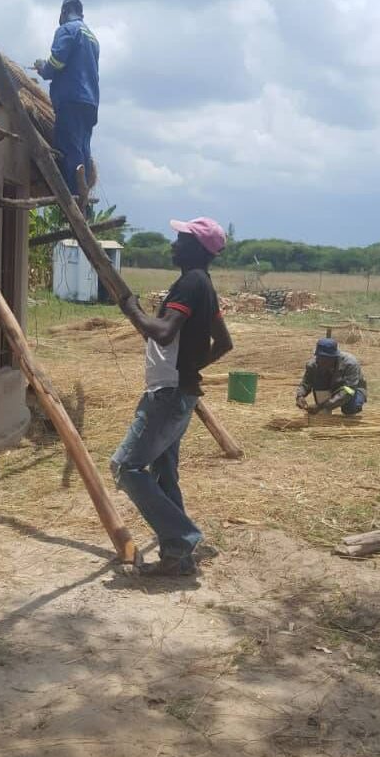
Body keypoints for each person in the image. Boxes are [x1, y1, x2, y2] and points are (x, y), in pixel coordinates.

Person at [111, 218, 233, 578]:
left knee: (126, 467)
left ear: (197, 248)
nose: (172, 245)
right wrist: (192, 367)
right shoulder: (204, 285)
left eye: (180, 240)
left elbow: (164, 333)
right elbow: (224, 343)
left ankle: (182, 537)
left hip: (168, 395)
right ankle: (178, 560)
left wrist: (131, 308)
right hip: (179, 392)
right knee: (163, 474)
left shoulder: (190, 283)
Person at [34, 0, 99, 200]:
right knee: (82, 148)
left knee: (69, 147)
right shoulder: (92, 37)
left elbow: (57, 63)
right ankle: (83, 195)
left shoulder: (67, 30)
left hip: (71, 98)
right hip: (90, 101)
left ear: (63, 12)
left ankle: (73, 196)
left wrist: (43, 67)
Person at [296, 338, 367, 415]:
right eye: (319, 357)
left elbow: (348, 391)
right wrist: (300, 396)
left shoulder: (350, 364)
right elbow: (306, 383)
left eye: (325, 359)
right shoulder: (313, 364)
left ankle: (347, 414)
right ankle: (324, 413)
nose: (321, 361)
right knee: (322, 413)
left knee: (350, 408)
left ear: (334, 357)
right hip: (330, 386)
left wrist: (321, 406)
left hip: (352, 389)